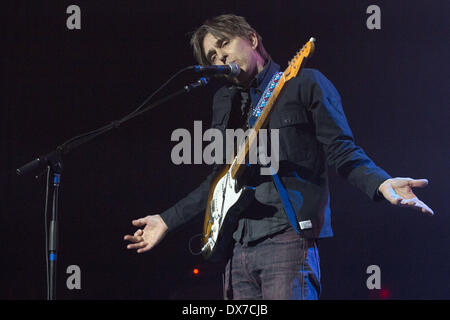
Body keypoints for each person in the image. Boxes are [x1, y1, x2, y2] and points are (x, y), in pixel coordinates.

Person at [123, 14, 433, 300]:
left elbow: (342, 150)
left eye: (224, 45)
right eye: (212, 57)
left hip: (286, 238)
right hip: (236, 250)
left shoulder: (304, 83)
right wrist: (167, 219)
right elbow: (218, 180)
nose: (221, 58)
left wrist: (381, 183)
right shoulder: (224, 103)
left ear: (252, 39)